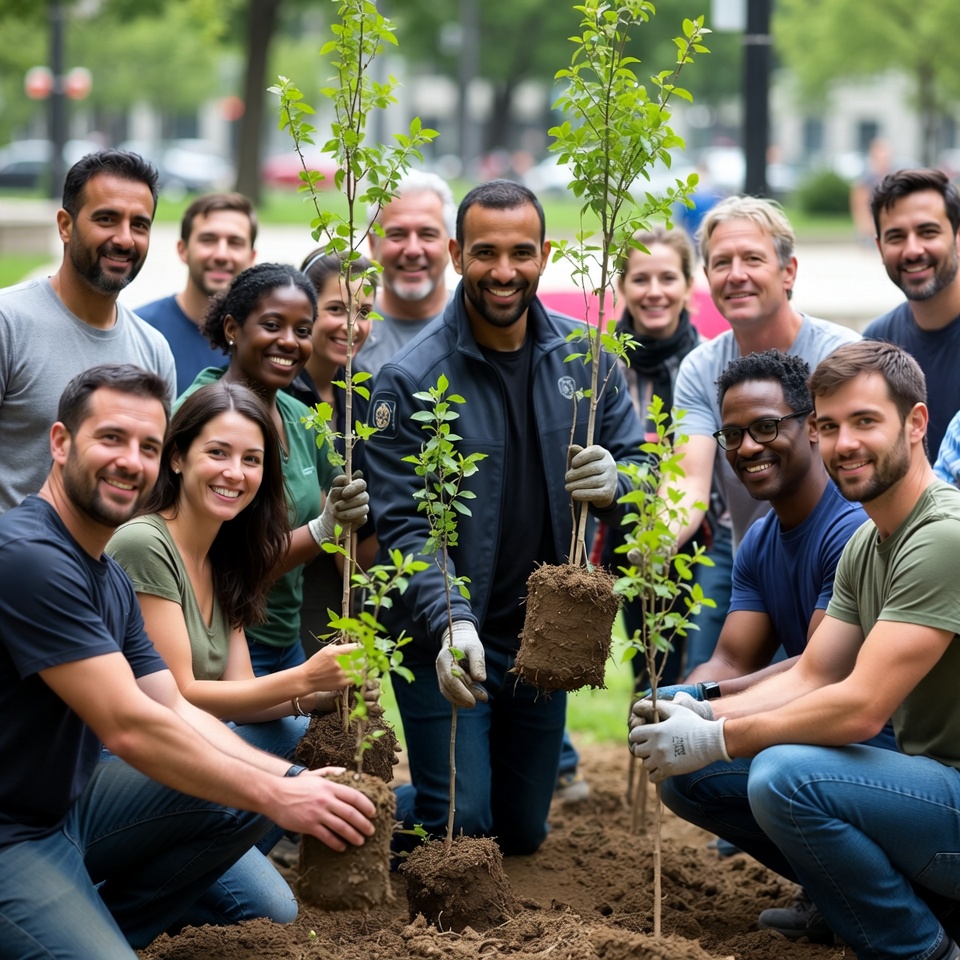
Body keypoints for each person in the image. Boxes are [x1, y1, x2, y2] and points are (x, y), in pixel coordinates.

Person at [0, 364, 376, 959]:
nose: (131, 461)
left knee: (255, 796)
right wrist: (278, 794)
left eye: (146, 446)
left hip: (66, 807)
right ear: (60, 442)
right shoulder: (32, 558)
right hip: (12, 834)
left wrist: (291, 781)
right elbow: (130, 726)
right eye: (111, 438)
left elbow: (172, 703)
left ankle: (90, 920)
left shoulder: (105, 574)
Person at [630, 341, 960, 960]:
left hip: (950, 800)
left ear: (916, 424)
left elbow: (860, 707)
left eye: (865, 421)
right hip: (930, 795)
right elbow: (813, 673)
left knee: (784, 777)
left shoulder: (942, 537)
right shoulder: (869, 544)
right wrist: (699, 711)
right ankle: (872, 902)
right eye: (830, 426)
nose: (844, 444)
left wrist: (719, 735)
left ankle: (922, 949)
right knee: (692, 774)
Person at [365, 179, 645, 855]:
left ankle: (432, 799)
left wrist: (620, 481)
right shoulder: (410, 378)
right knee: (465, 823)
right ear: (457, 255)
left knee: (519, 831)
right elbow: (405, 526)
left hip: (540, 637)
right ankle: (358, 808)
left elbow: (644, 466)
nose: (503, 271)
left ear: (545, 254)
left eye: (521, 252)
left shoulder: (588, 359)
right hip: (446, 635)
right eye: (485, 252)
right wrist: (450, 618)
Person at [105, 380, 373, 924]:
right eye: (218, 453)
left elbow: (239, 696)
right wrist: (305, 677)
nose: (235, 472)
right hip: (125, 766)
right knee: (269, 902)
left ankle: (184, 865)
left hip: (184, 750)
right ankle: (109, 902)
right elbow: (178, 695)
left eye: (252, 459)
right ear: (177, 457)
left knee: (297, 737)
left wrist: (318, 699)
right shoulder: (144, 544)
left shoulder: (223, 552)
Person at [180, 262, 369, 677]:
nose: (288, 341)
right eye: (272, 325)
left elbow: (342, 509)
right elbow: (224, 563)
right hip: (226, 640)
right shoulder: (201, 416)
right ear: (233, 328)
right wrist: (323, 529)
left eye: (302, 330)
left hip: (287, 638)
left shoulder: (302, 416)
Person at [671, 195, 860, 553]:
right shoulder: (700, 369)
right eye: (721, 263)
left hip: (844, 555)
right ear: (707, 276)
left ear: (788, 271)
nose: (736, 275)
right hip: (753, 562)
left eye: (753, 259)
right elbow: (688, 482)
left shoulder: (841, 356)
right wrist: (653, 548)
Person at [0, 149, 176, 514]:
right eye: (107, 219)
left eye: (139, 225)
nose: (125, 239)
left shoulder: (154, 350)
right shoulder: (8, 323)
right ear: (65, 225)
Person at [864, 167, 960, 460]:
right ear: (880, 248)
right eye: (896, 237)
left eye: (928, 232)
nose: (912, 250)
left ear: (958, 236)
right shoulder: (876, 344)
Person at [137, 193, 258, 389]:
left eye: (235, 242)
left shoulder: (262, 339)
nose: (221, 255)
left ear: (251, 257)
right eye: (208, 240)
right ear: (183, 250)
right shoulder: (141, 331)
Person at [354, 170, 456, 376]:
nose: (412, 250)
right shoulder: (349, 334)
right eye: (397, 234)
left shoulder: (479, 325)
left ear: (451, 246)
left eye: (427, 234)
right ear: (373, 244)